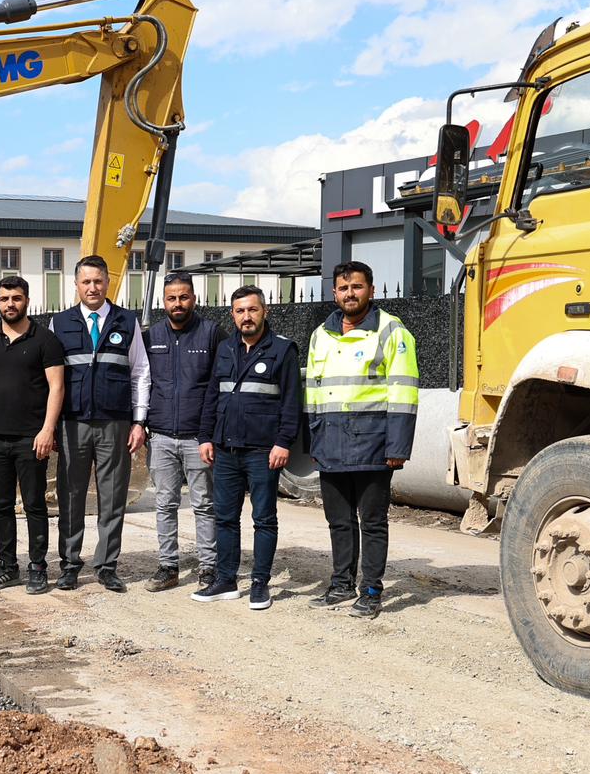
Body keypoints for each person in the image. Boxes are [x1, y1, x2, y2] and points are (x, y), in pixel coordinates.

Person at [304, 261, 419, 619]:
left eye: (356, 286)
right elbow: (312, 393)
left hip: (373, 445)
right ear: (334, 292)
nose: (349, 293)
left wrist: (397, 448)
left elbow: (404, 392)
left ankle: (370, 591)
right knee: (338, 521)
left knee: (372, 522)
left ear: (371, 289)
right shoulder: (321, 334)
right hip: (331, 444)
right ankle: (340, 584)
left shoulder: (392, 331)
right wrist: (314, 443)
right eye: (343, 287)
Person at [194, 286, 301, 610]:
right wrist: (205, 437)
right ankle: (226, 580)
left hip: (262, 450)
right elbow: (213, 395)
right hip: (226, 449)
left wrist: (283, 442)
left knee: (264, 519)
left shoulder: (282, 351)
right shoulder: (225, 349)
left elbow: (292, 402)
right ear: (233, 315)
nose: (246, 317)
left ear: (264, 311)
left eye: (252, 310)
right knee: (225, 517)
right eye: (240, 311)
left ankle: (259, 583)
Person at [49, 255, 150, 593]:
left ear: (108, 283)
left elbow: (140, 373)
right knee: (71, 495)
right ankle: (70, 564)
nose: (92, 287)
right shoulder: (59, 323)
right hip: (73, 423)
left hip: (115, 423)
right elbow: (50, 379)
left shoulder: (127, 321)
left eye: (98, 281)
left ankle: (107, 566)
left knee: (112, 496)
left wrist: (139, 421)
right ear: (76, 285)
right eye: (86, 281)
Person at [0, 276, 66, 593]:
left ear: (26, 300)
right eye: (4, 298)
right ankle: (6, 567)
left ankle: (38, 567)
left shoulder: (46, 340)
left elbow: (57, 387)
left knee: (34, 505)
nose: (9, 304)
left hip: (32, 438)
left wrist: (47, 430)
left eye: (16, 298)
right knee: (1, 504)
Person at [143, 272, 225, 592]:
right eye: (171, 298)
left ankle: (208, 567)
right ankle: (168, 566)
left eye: (184, 297)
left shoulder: (212, 334)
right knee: (165, 503)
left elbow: (219, 388)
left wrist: (211, 434)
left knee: (204, 504)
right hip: (161, 436)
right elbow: (143, 382)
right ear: (164, 302)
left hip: (198, 438)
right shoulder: (151, 337)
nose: (178, 303)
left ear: (194, 297)